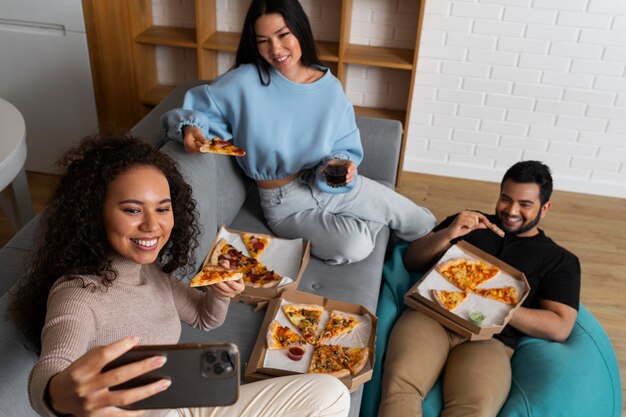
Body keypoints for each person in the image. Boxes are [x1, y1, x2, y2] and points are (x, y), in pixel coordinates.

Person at [9, 135, 350, 417]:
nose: (152, 225)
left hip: (179, 405)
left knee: (332, 393)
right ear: (92, 213)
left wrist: (220, 294)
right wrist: (59, 395)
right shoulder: (76, 293)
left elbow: (203, 319)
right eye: (131, 210)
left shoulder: (150, 269)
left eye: (162, 208)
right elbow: (50, 369)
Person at [160, 0, 435, 265]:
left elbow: (342, 146)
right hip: (284, 203)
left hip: (329, 186)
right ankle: (392, 240)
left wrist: (343, 166)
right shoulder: (245, 81)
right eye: (263, 41)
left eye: (283, 35)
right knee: (356, 245)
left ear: (300, 29)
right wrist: (191, 127)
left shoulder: (330, 88)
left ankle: (441, 247)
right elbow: (199, 108)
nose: (276, 49)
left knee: (417, 219)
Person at [378, 161, 581, 417]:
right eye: (506, 199)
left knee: (476, 410)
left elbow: (560, 326)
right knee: (400, 387)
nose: (512, 210)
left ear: (545, 208)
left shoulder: (559, 259)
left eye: (525, 204)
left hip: (491, 340)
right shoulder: (471, 223)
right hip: (433, 316)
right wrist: (448, 234)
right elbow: (412, 260)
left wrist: (492, 301)